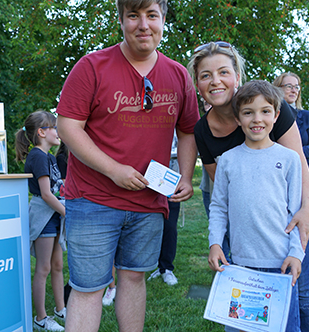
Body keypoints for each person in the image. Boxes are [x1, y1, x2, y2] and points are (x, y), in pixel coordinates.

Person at [55, 0, 200, 330]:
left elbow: (189, 129)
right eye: (133, 15)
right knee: (89, 289)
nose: (143, 25)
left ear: (163, 20)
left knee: (134, 280)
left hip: (149, 202)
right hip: (92, 200)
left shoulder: (177, 74)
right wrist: (113, 169)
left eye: (152, 15)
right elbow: (68, 127)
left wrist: (186, 176)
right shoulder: (92, 66)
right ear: (121, 20)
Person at [187, 41, 309, 261]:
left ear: (237, 77)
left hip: (287, 204)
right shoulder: (202, 130)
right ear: (197, 84)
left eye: (223, 72)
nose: (215, 81)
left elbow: (299, 162)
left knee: (298, 276)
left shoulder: (271, 107)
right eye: (205, 75)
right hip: (244, 223)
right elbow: (222, 189)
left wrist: (308, 209)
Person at [208, 80, 305, 332]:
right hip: (239, 265)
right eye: (248, 112)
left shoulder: (289, 159)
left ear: (276, 114)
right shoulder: (228, 160)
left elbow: (296, 213)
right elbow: (218, 207)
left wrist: (296, 253)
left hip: (280, 264)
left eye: (265, 111)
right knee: (240, 326)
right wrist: (215, 243)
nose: (256, 119)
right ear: (238, 119)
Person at [274, 72, 309, 331]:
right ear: (277, 89)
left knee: (305, 235)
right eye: (287, 86)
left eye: (296, 87)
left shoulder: (307, 117)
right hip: (279, 183)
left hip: (308, 180)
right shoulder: (268, 117)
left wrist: (292, 150)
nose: (293, 90)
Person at [15, 110, 66, 332]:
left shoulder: (50, 157)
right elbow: (46, 194)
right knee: (43, 268)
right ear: (42, 132)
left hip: (54, 215)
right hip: (44, 216)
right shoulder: (37, 156)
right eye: (54, 127)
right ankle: (41, 318)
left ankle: (60, 309)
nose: (58, 131)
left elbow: (56, 186)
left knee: (57, 265)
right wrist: (67, 212)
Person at [56, 143, 118, 306]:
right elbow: (65, 183)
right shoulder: (62, 157)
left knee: (106, 251)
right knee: (83, 260)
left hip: (99, 204)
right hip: (79, 207)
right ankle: (82, 288)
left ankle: (111, 287)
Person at [148, 134, 181, 285]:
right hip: (150, 178)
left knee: (169, 226)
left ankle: (166, 268)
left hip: (171, 181)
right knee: (148, 224)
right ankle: (153, 265)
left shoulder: (179, 126)